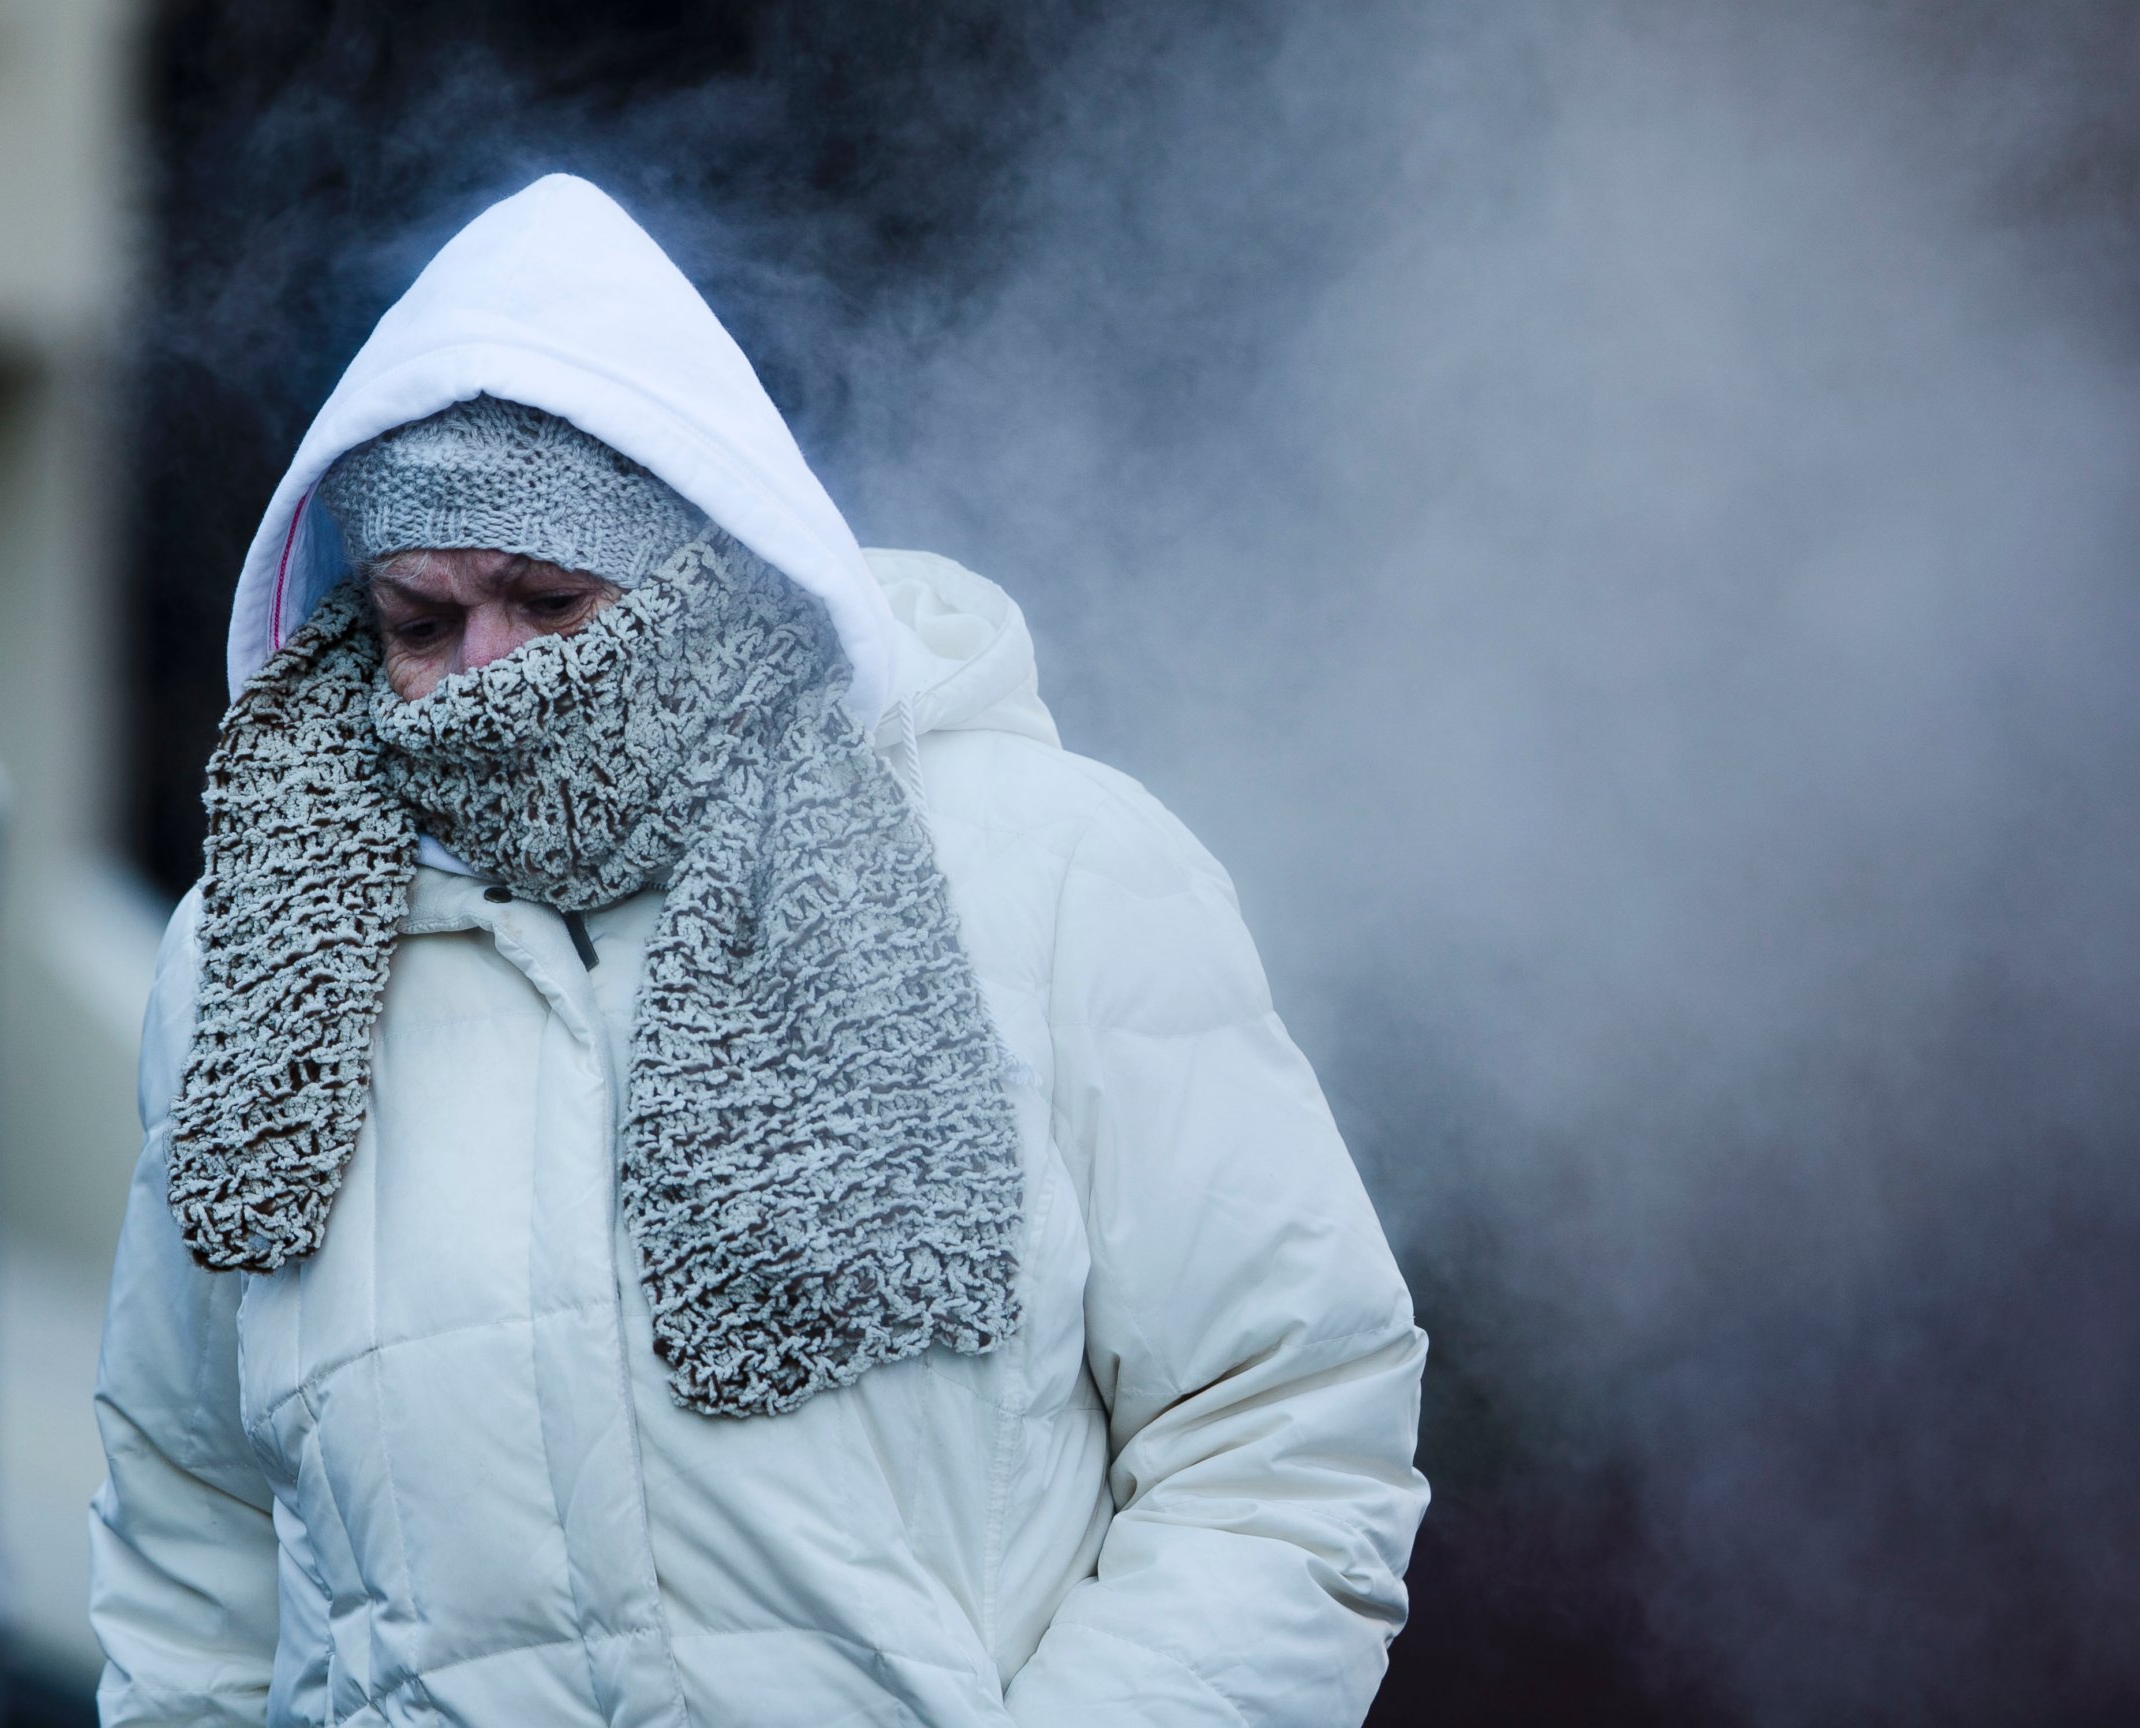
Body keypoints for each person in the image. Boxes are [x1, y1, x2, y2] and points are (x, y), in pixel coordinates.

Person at [89, 174, 1427, 1728]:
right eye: (417, 617)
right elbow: (189, 1537)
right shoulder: (258, 961)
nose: (483, 676)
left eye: (548, 596)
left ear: (700, 561)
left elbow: (1280, 1437)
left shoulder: (1050, 877)